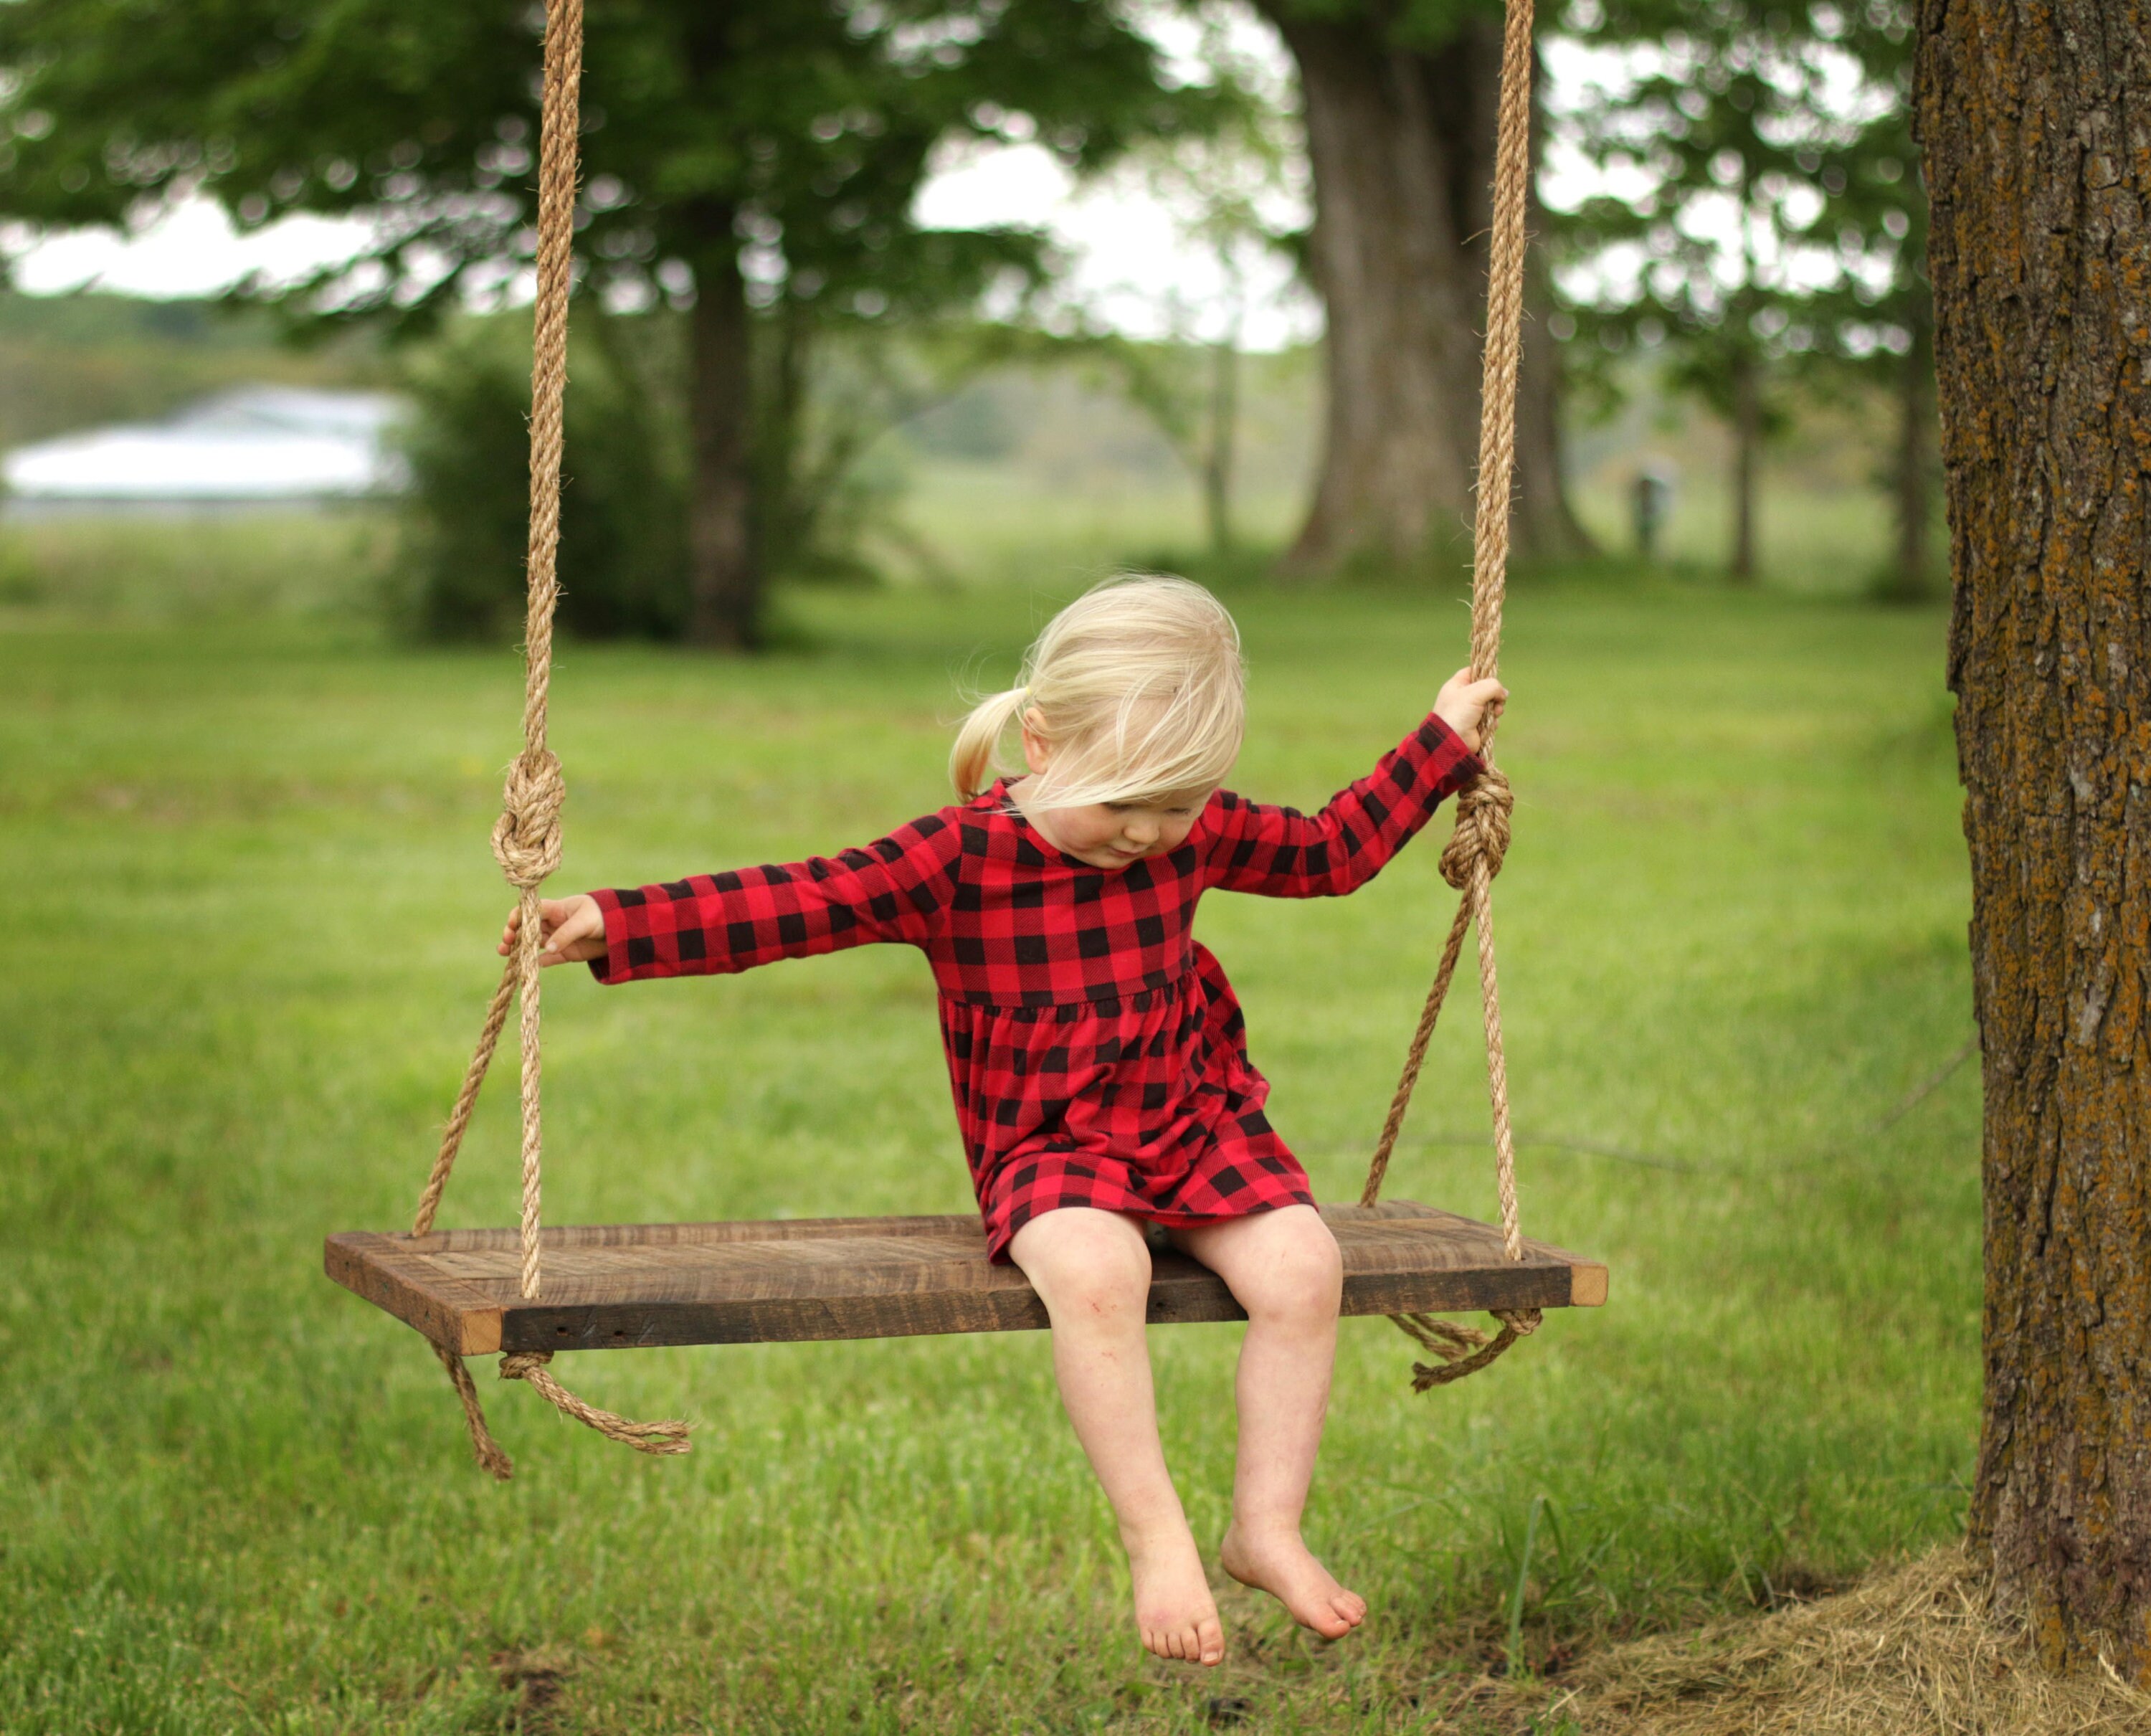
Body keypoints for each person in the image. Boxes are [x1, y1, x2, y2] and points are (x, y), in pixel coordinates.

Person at [501, 575, 1506, 1667]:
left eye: (1176, 806)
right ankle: (1155, 1532)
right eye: (1124, 802)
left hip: (1189, 1119)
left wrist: (1440, 742)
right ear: (1042, 739)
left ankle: (1265, 1526)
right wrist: (618, 922)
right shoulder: (958, 857)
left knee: (1306, 1267)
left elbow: (1327, 852)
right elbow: (805, 899)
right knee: (1095, 1276)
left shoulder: (1194, 830)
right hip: (1046, 1144)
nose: (1148, 832)